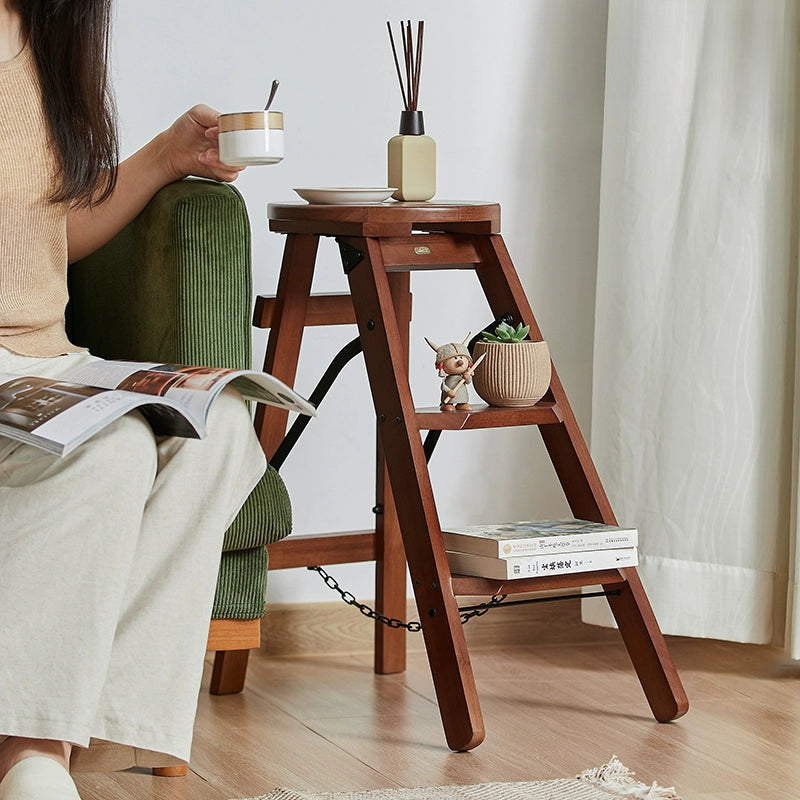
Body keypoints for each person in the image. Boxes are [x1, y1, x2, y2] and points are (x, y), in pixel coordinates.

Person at [0, 2, 268, 798]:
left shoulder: (49, 35)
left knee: (218, 428)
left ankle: (69, 745)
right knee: (111, 448)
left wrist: (162, 155)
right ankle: (31, 750)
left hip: (40, 359)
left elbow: (45, 234)